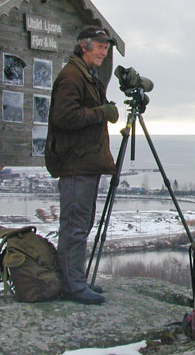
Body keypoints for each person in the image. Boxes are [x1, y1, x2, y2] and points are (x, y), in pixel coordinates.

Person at [45, 25, 119, 305]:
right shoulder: (71, 76)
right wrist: (101, 112)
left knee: (82, 223)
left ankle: (75, 278)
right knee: (75, 226)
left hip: (85, 162)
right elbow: (64, 117)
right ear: (84, 46)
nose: (104, 51)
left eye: (106, 47)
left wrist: (101, 109)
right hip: (75, 163)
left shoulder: (87, 76)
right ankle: (73, 285)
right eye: (100, 46)